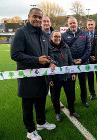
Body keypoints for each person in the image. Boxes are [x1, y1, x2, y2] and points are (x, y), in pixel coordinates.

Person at [11, 8, 56, 140]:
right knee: (28, 105)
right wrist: (36, 60)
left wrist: (52, 61)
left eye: (39, 18)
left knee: (41, 101)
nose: (37, 19)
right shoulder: (21, 32)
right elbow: (15, 54)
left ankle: (41, 123)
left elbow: (50, 52)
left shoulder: (44, 34)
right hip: (27, 78)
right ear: (29, 17)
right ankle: (30, 131)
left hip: (42, 76)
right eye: (35, 16)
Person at [49, 30, 80, 121]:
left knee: (71, 95)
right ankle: (57, 113)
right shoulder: (48, 48)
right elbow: (46, 64)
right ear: (51, 37)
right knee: (55, 97)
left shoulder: (65, 46)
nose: (57, 38)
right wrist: (49, 78)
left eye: (59, 36)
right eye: (55, 36)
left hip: (67, 76)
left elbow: (70, 60)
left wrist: (73, 72)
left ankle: (72, 111)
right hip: (55, 78)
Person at [62, 16, 91, 108]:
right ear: (68, 24)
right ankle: (72, 100)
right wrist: (72, 61)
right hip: (71, 65)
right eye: (70, 23)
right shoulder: (64, 35)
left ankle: (84, 100)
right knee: (71, 84)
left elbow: (88, 48)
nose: (72, 24)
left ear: (77, 23)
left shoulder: (85, 34)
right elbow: (63, 51)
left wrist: (82, 59)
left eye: (74, 22)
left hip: (83, 63)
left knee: (83, 84)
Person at [86, 19, 97, 100]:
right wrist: (89, 56)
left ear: (94, 25)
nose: (90, 26)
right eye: (89, 24)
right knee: (90, 78)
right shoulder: (84, 34)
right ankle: (92, 94)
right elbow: (84, 47)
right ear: (87, 25)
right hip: (88, 59)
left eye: (91, 24)